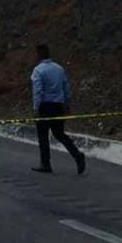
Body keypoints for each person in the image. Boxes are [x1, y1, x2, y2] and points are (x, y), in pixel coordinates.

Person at [31, 44, 86, 175]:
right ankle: (77, 155)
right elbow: (66, 88)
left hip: (45, 106)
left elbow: (38, 91)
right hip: (58, 106)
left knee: (43, 135)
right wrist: (67, 105)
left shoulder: (38, 70)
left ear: (39, 54)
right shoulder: (59, 69)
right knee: (59, 134)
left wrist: (36, 108)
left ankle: (45, 164)